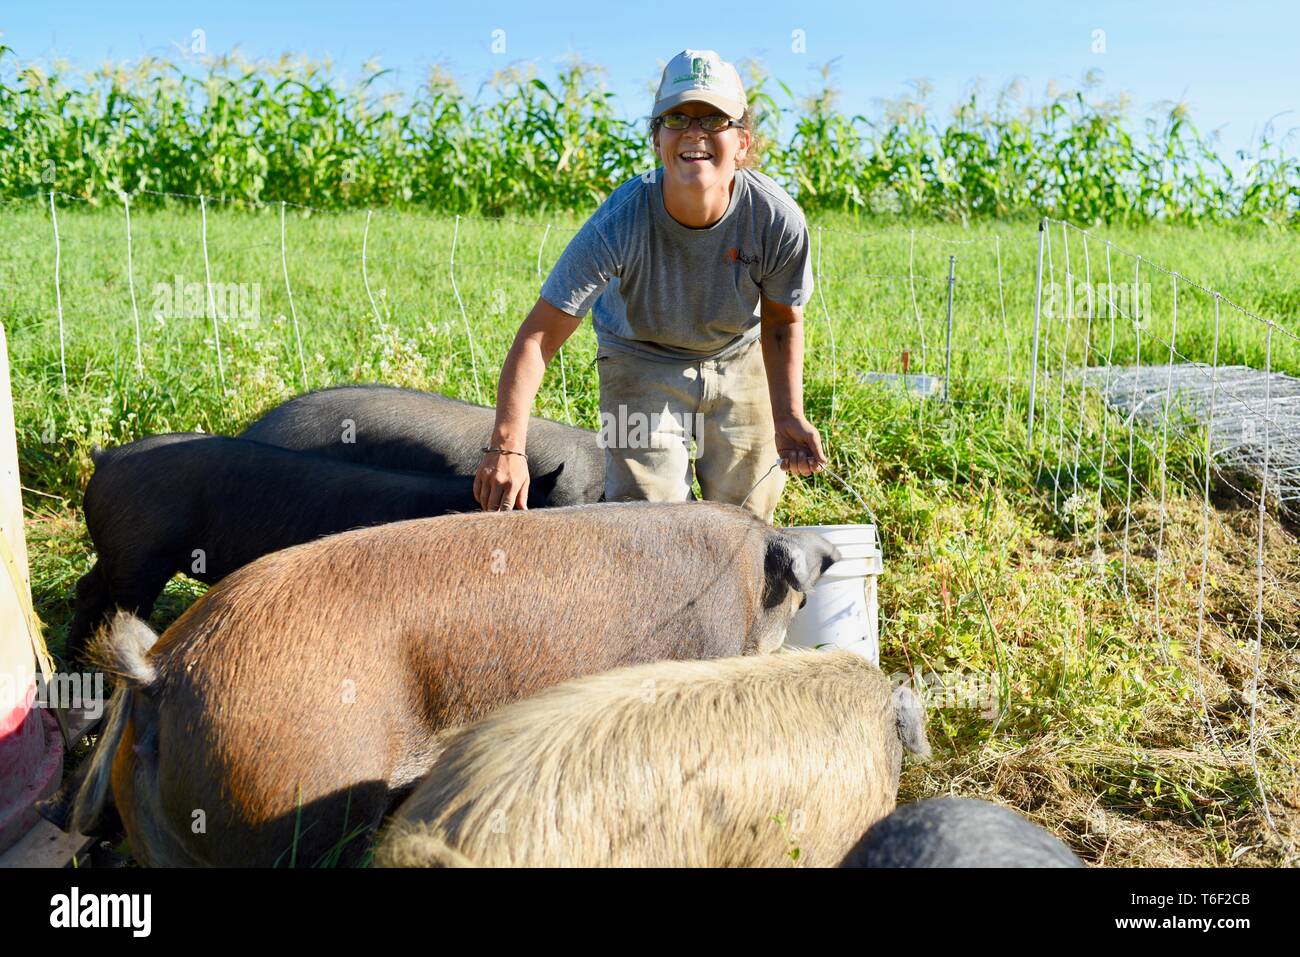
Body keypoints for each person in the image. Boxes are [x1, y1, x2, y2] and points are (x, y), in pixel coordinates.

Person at [474, 48, 827, 523]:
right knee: (648, 522)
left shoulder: (774, 219)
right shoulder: (621, 222)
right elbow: (540, 335)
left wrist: (787, 414)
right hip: (641, 359)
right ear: (657, 139)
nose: (695, 133)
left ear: (742, 142)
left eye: (714, 120)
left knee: (747, 517)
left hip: (738, 355)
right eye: (677, 117)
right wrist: (508, 448)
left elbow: (783, 322)